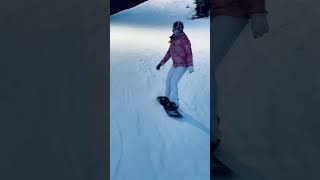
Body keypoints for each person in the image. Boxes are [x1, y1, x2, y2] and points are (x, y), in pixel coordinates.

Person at [210, 0, 270, 175]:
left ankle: (210, 138)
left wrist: (258, 12)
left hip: (232, 11)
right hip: (208, 12)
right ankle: (208, 124)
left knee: (204, 65)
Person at [156, 21, 194, 111]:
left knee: (173, 81)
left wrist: (190, 65)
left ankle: (175, 103)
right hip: (175, 64)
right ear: (173, 29)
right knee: (168, 79)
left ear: (181, 30)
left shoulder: (185, 40)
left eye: (178, 30)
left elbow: (189, 53)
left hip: (183, 65)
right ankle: (167, 98)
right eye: (175, 29)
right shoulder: (174, 38)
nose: (176, 31)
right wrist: (161, 63)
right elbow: (169, 52)